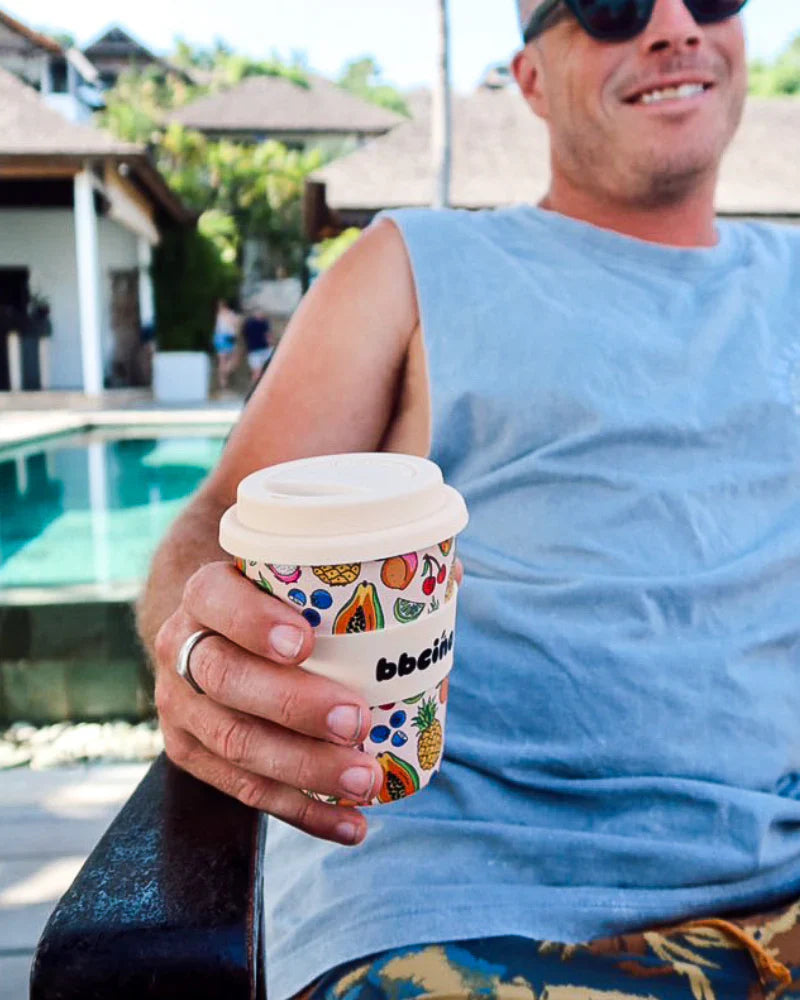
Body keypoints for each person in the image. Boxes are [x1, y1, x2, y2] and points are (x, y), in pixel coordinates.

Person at [137, 2, 800, 998]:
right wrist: (200, 648)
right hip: (464, 908)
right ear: (528, 77)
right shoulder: (411, 265)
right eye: (614, 4)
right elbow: (225, 517)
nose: (672, 26)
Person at [212, 299, 240, 390]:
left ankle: (223, 382)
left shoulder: (219, 315)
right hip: (227, 337)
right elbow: (235, 327)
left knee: (222, 361)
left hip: (219, 337)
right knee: (234, 358)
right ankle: (225, 373)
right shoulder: (230, 314)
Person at [241, 307, 274, 384]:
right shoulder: (249, 324)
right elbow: (244, 336)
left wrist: (271, 344)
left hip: (264, 350)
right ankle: (255, 390)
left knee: (262, 372)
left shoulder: (264, 323)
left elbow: (268, 336)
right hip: (254, 351)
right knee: (257, 372)